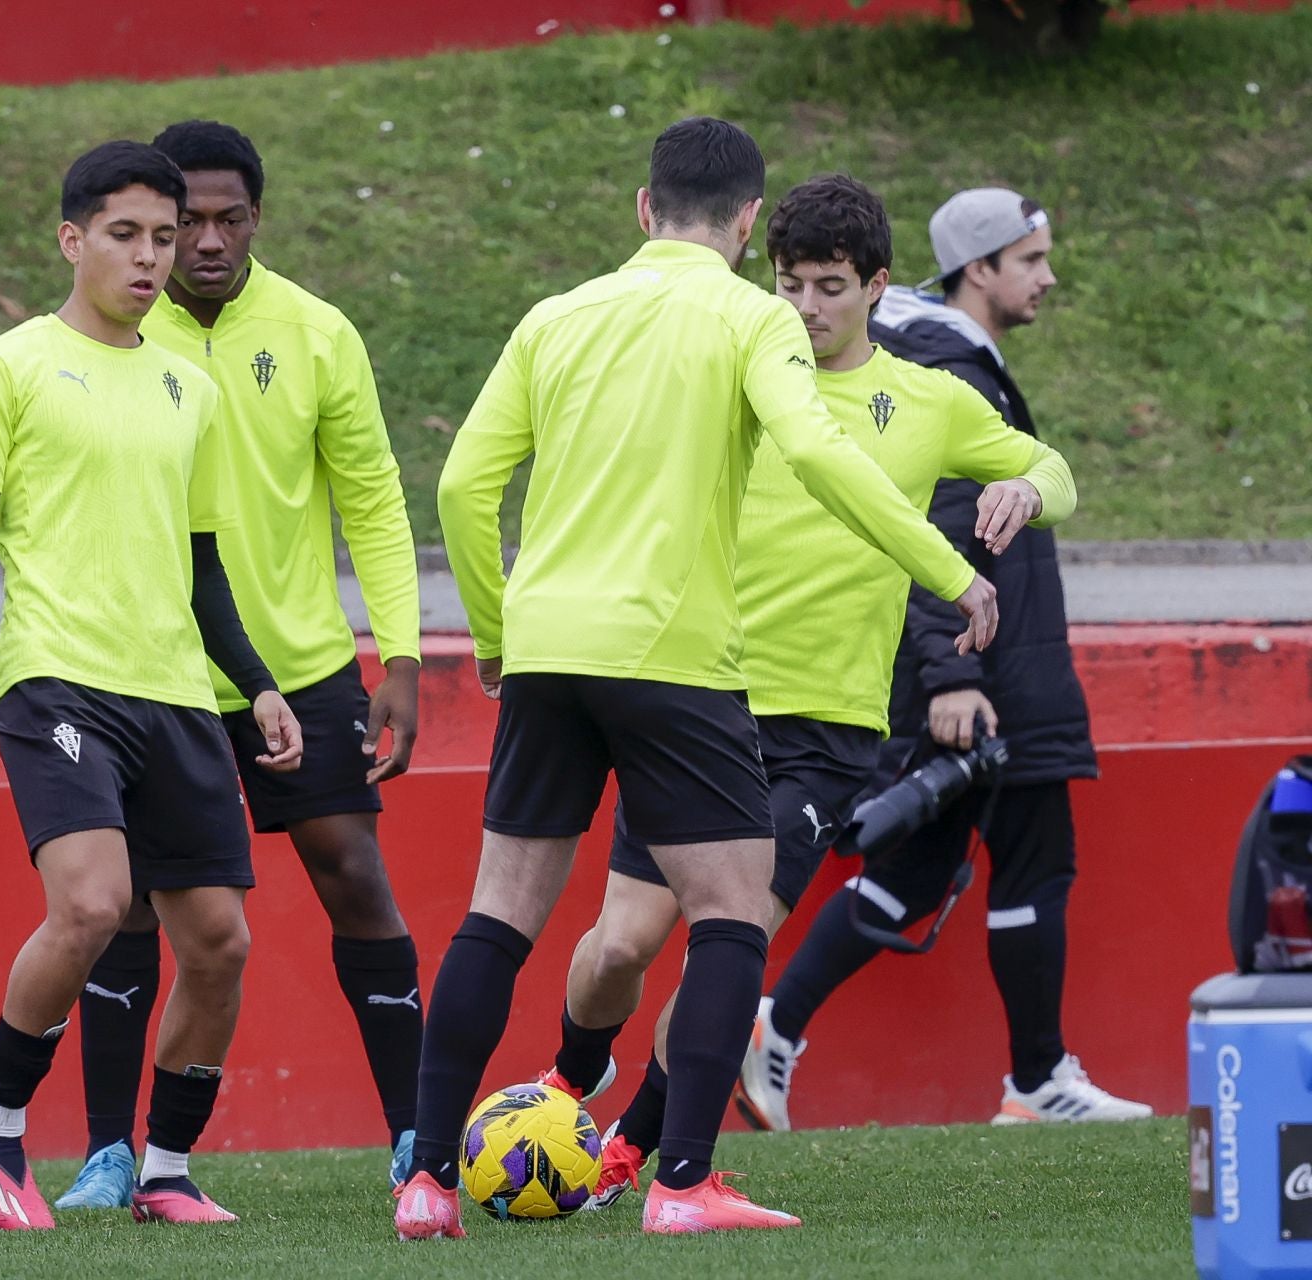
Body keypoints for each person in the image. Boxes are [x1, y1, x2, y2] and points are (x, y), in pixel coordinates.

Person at [393, 118, 999, 1242]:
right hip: (675, 658)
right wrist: (950, 569)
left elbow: (466, 486)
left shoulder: (556, 315)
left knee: (500, 913)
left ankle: (427, 1180)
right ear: (747, 224)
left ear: (641, 208)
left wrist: (492, 632)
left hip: (548, 648)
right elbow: (819, 455)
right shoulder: (752, 315)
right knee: (728, 914)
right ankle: (681, 1182)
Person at [535, 174, 1080, 1207]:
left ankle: (635, 1153)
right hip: (698, 702)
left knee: (728, 942)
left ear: (877, 287)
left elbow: (1054, 465)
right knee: (619, 945)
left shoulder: (928, 397)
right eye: (787, 283)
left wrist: (1026, 484)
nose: (805, 307)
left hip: (826, 731)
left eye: (829, 285)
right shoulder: (732, 372)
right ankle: (569, 1074)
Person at [0, 139, 305, 1230]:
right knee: (91, 903)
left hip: (178, 694)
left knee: (220, 939)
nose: (153, 257)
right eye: (127, 235)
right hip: (60, 683)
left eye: (165, 236)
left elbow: (200, 562)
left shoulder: (191, 383)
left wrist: (258, 683)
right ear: (72, 240)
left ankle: (169, 1166)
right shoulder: (7, 366)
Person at [52, 119, 427, 1210]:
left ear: (258, 218)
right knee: (128, 911)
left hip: (301, 669)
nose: (205, 241)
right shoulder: (115, 331)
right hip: (155, 670)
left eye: (229, 218)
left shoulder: (317, 333)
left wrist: (398, 652)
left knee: (355, 875)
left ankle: (413, 1136)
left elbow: (373, 501)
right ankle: (109, 1155)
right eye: (188, 221)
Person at [738, 187, 1152, 1132]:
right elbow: (921, 527)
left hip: (983, 663)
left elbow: (1028, 485)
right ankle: (1036, 1079)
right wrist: (953, 674)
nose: (1048, 277)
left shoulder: (939, 364)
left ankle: (780, 1025)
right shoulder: (930, 374)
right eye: (1031, 259)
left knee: (920, 867)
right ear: (981, 268)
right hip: (986, 671)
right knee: (1034, 863)